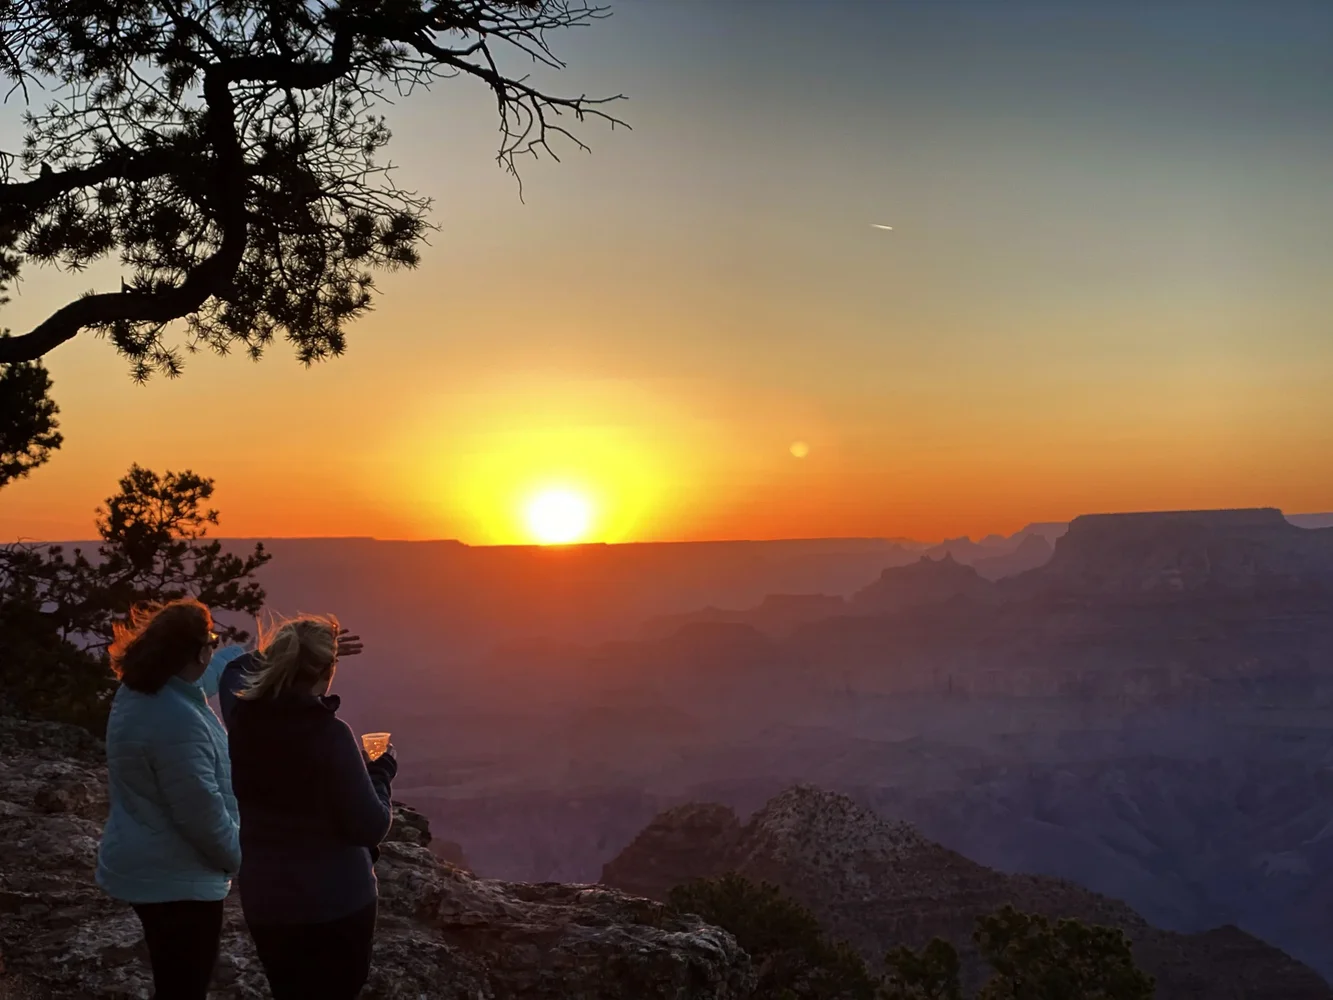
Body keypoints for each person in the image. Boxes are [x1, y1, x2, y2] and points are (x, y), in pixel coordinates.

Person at [221, 614, 395, 1000]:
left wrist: (294, 648)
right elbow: (370, 826)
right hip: (334, 904)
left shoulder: (242, 718)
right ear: (328, 669)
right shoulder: (329, 734)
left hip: (267, 902)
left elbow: (235, 669)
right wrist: (381, 775)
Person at [96, 598, 248, 1000]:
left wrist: (262, 656)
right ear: (196, 651)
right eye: (212, 641)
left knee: (175, 977)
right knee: (184, 985)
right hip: (176, 880)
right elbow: (200, 813)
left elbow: (203, 677)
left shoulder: (146, 689)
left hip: (151, 864)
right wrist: (244, 861)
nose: (214, 647)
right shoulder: (175, 721)